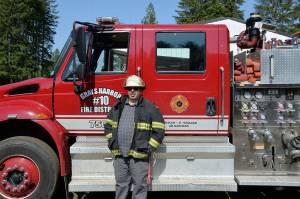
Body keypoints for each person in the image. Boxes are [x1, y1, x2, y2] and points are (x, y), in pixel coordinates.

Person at [104, 75, 165, 199]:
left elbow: (159, 130)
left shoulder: (150, 108)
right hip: (120, 155)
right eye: (130, 88)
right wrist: (111, 141)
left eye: (136, 88)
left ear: (141, 90)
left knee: (140, 187)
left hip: (139, 156)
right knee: (121, 185)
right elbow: (108, 125)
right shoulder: (118, 106)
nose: (132, 91)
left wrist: (149, 147)